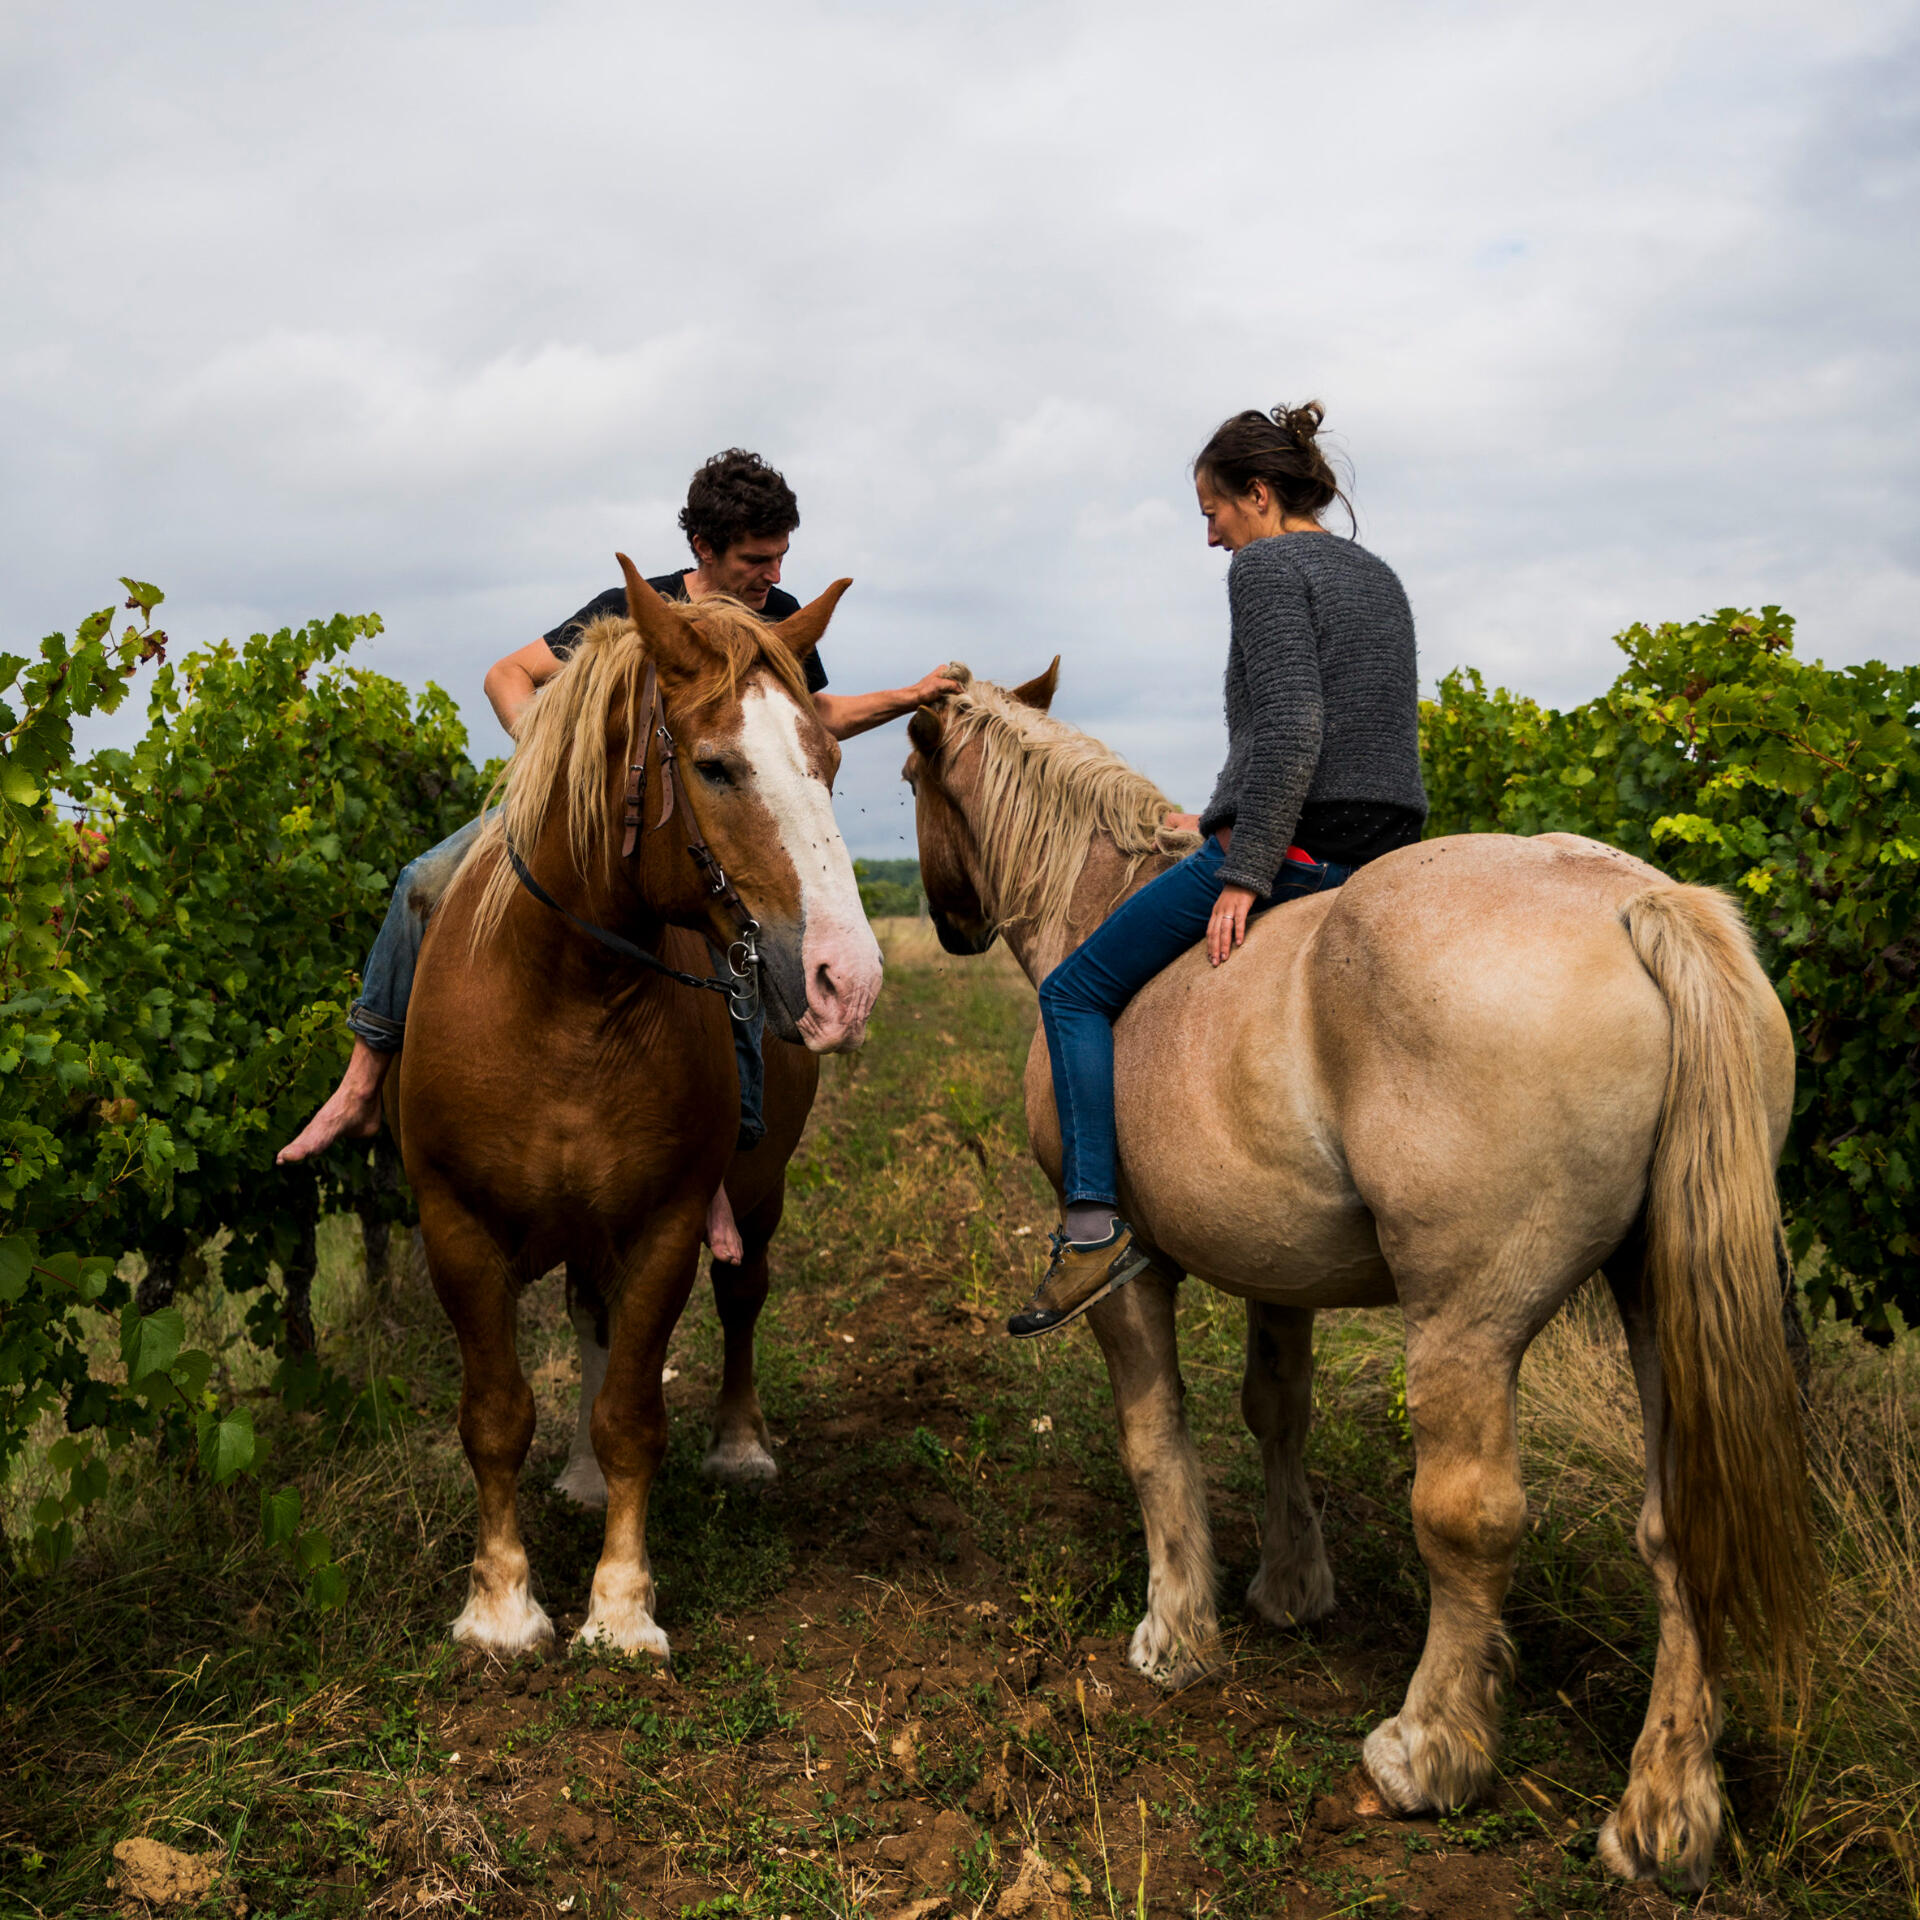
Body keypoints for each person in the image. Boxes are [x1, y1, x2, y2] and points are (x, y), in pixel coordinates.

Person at [280, 449, 958, 1255]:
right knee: (420, 880)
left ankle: (713, 1170)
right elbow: (506, 674)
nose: (774, 575)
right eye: (756, 558)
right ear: (703, 547)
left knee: (735, 960)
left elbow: (813, 713)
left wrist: (910, 696)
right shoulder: (633, 612)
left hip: (690, 831)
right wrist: (547, 751)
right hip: (579, 814)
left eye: (781, 556)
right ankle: (362, 1084)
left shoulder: (773, 620)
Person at [1005, 403, 1428, 1338]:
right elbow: (1359, 734)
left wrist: (1245, 866)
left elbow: (1294, 727)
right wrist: (1217, 815)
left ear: (1260, 495)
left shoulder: (1267, 568)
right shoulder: (1376, 574)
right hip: (1382, 848)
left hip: (1296, 849)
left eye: (1214, 511)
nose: (1212, 537)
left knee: (1072, 992)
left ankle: (1089, 1231)